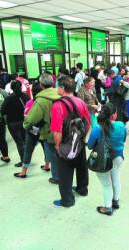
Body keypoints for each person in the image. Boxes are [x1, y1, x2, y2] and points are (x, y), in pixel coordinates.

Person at [51, 76, 91, 207]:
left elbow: (57, 130)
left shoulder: (58, 105)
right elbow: (88, 123)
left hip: (65, 143)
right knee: (81, 167)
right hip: (79, 141)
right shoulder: (80, 102)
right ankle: (82, 189)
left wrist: (57, 146)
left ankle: (67, 200)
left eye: (58, 86)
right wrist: (83, 139)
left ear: (62, 89)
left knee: (65, 173)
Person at [87, 103, 126, 215]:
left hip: (102, 160)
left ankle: (107, 208)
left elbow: (90, 146)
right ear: (114, 115)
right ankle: (116, 201)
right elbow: (123, 140)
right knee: (116, 179)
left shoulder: (97, 129)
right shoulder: (121, 125)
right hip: (118, 157)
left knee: (106, 185)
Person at [23, 73, 60, 184]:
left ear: (41, 85)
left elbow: (31, 119)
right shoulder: (61, 94)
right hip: (62, 130)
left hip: (49, 132)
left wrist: (25, 125)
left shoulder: (41, 100)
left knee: (52, 155)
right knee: (61, 154)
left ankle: (56, 177)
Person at [14, 81, 49, 178]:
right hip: (44, 129)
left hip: (32, 130)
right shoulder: (47, 102)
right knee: (46, 148)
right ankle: (47, 166)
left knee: (28, 150)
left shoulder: (30, 103)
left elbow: (26, 117)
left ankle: (24, 171)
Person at [1, 80, 29, 167]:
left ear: (11, 88)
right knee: (25, 141)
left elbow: (2, 111)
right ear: (21, 87)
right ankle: (27, 159)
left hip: (12, 123)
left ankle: (23, 161)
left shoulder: (8, 99)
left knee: (19, 143)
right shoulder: (25, 97)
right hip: (24, 121)